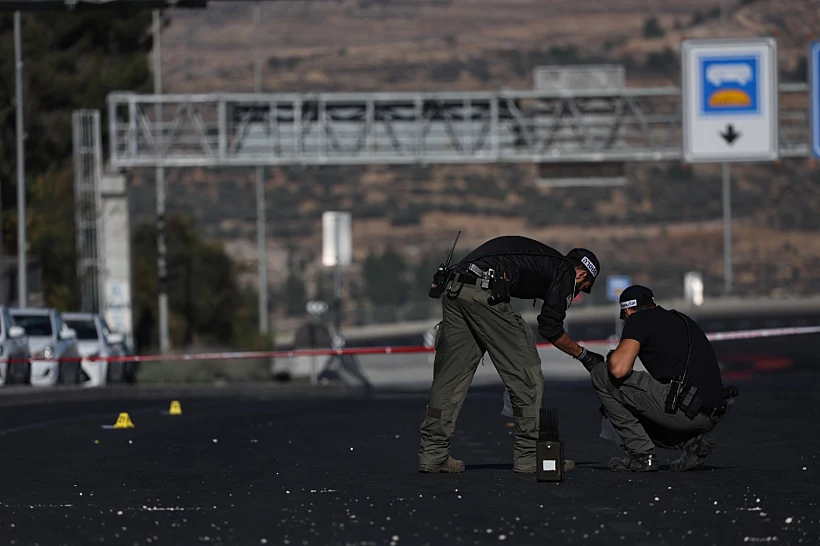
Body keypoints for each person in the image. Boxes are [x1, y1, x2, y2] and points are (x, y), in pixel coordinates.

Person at [417, 235, 605, 473]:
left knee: (449, 380)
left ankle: (433, 453)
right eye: (582, 289)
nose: (576, 294)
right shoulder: (566, 272)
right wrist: (585, 356)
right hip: (483, 293)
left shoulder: (544, 259)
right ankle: (529, 455)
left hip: (455, 288)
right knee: (527, 375)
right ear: (582, 275)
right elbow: (551, 327)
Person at [593, 285, 736, 472]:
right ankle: (690, 443)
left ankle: (642, 456)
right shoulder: (682, 319)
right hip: (709, 413)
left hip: (686, 410)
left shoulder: (637, 320)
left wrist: (610, 357)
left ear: (627, 311)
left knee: (602, 374)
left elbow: (619, 369)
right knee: (642, 397)